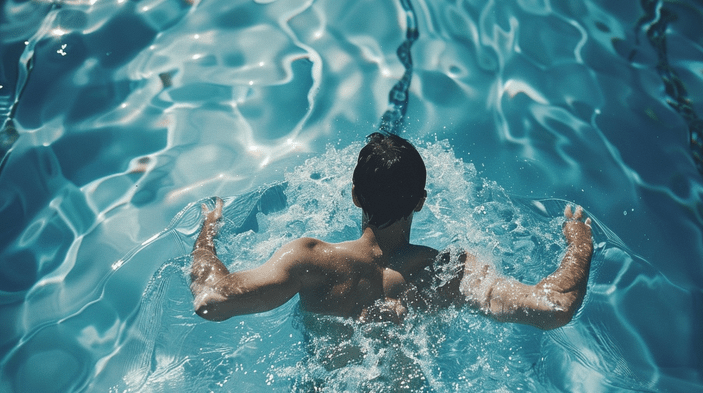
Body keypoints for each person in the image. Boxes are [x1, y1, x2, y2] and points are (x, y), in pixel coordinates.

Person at [191, 132, 593, 329]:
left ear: (354, 196)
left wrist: (206, 237)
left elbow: (213, 299)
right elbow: (553, 306)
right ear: (420, 201)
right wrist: (580, 244)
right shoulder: (450, 270)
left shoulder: (308, 259)